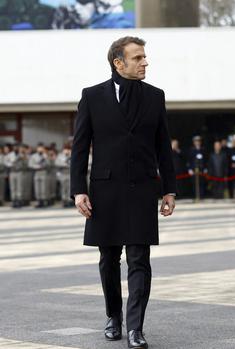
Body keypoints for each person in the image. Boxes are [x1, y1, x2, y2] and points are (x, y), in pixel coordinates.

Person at [70, 36, 176, 349]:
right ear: (119, 62)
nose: (145, 62)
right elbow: (79, 148)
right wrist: (78, 190)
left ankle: (135, 328)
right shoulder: (92, 96)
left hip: (143, 188)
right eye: (139, 57)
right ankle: (113, 317)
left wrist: (169, 189)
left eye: (145, 57)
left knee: (140, 258)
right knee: (108, 258)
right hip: (105, 190)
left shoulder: (156, 97)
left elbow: (163, 148)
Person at [55, 142, 73, 208]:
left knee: (70, 188)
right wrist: (65, 164)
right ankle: (64, 200)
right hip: (63, 173)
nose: (66, 150)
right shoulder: (60, 156)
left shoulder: (72, 154)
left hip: (70, 173)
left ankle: (70, 201)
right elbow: (57, 163)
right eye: (65, 149)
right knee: (63, 187)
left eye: (68, 149)